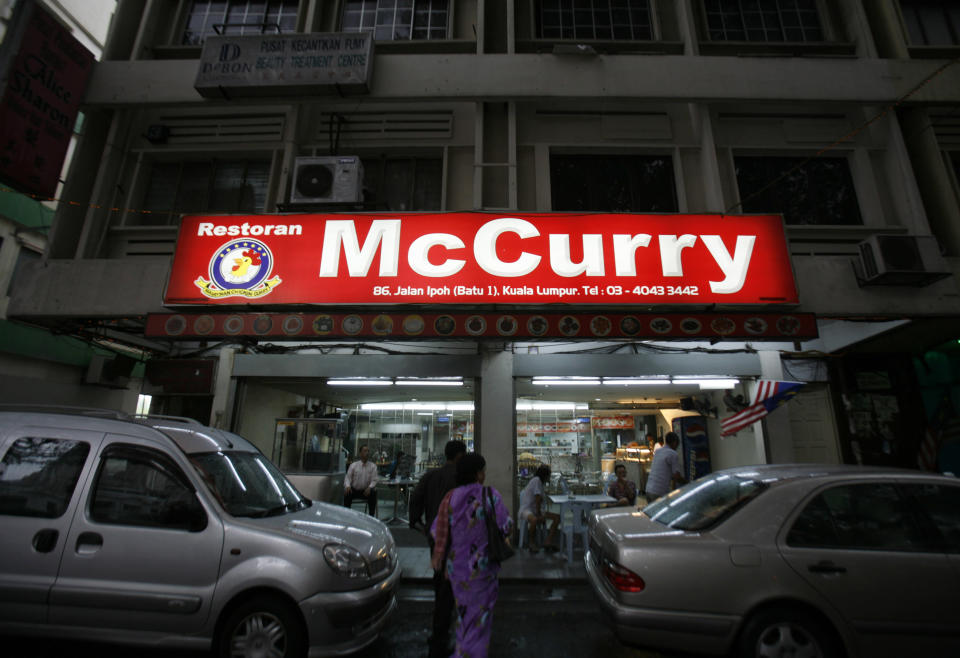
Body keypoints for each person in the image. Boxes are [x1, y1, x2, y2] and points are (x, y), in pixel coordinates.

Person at [431, 453, 512, 658]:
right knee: (480, 622)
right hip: (482, 570)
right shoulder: (490, 495)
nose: (484, 475)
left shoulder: (450, 497)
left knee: (464, 615)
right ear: (478, 474)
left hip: (456, 570)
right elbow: (506, 526)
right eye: (483, 471)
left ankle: (463, 649)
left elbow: (437, 531)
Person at [408, 440, 467, 658]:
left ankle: (439, 632)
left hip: (435, 538)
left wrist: (417, 523)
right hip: (458, 539)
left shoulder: (431, 476)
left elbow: (415, 499)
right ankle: (449, 635)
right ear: (460, 456)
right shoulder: (462, 479)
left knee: (440, 584)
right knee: (455, 587)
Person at [518, 464, 560, 552]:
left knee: (557, 518)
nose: (549, 478)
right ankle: (531, 543)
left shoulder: (539, 483)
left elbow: (539, 499)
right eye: (549, 475)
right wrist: (539, 514)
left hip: (535, 510)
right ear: (545, 475)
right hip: (527, 510)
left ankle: (548, 541)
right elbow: (537, 499)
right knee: (534, 520)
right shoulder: (536, 481)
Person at [645, 431, 686, 503]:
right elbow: (677, 476)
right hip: (659, 492)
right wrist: (689, 483)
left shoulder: (658, 451)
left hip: (648, 490)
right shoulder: (673, 454)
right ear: (674, 442)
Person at [343, 444, 378, 516]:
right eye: (365, 451)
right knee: (347, 493)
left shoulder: (373, 466)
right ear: (360, 453)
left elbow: (374, 480)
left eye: (368, 451)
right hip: (354, 490)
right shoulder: (354, 465)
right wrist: (347, 486)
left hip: (366, 491)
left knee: (373, 493)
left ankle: (371, 517)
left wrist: (370, 487)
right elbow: (348, 477)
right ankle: (346, 515)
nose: (367, 453)